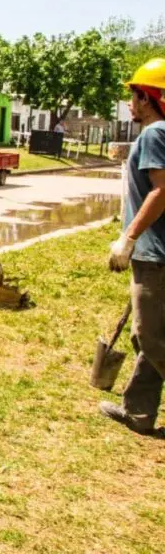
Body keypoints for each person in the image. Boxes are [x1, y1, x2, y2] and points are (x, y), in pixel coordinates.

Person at [100, 58, 165, 435]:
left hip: (154, 255)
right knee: (151, 334)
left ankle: (138, 410)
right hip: (155, 251)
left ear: (148, 98)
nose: (130, 103)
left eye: (134, 95)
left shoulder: (155, 135)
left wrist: (129, 237)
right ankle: (139, 413)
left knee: (149, 335)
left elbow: (161, 190)